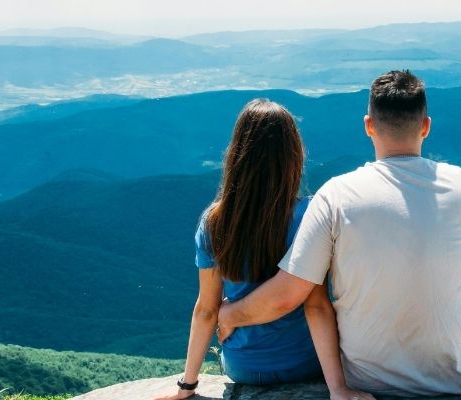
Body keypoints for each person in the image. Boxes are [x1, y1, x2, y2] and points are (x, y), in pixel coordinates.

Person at [217, 70, 461, 396]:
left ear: (368, 126)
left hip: (366, 379)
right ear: (426, 126)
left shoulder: (335, 195)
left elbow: (287, 295)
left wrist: (227, 315)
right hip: (454, 377)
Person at [156, 99, 373, 400]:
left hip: (242, 366)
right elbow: (316, 306)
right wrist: (338, 388)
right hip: (304, 362)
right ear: (293, 155)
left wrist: (187, 386)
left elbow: (206, 309)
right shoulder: (308, 216)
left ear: (237, 154)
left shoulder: (214, 222)